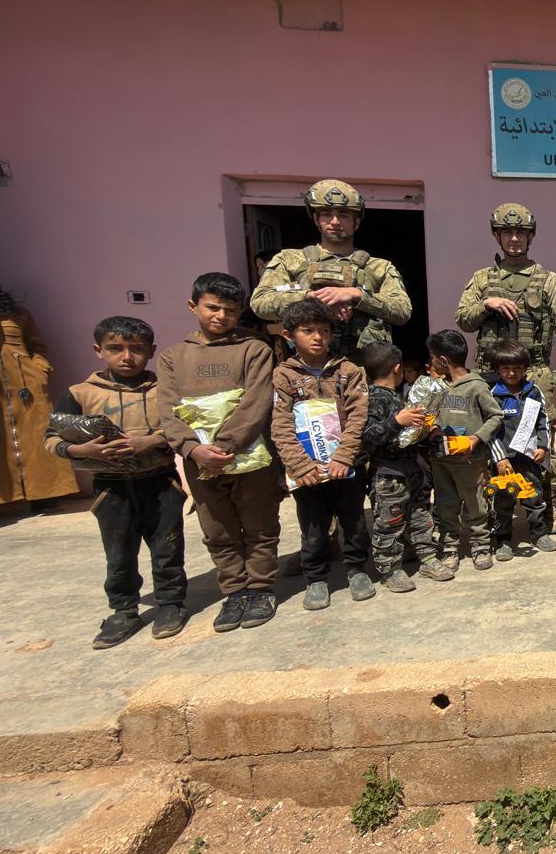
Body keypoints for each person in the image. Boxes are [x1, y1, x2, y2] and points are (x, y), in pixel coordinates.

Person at [45, 316, 187, 647]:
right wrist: (82, 448)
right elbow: (52, 438)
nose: (127, 357)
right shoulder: (80, 394)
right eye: (115, 349)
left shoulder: (165, 390)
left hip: (160, 482)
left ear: (151, 351)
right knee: (119, 552)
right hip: (111, 488)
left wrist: (151, 442)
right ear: (98, 350)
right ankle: (123, 610)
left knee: (167, 547)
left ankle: (170, 604)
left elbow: (186, 427)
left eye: (136, 349)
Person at [158, 272, 281, 633]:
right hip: (200, 463)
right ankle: (235, 590)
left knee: (259, 526)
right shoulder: (173, 357)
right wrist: (194, 450)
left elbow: (257, 402)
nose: (221, 316)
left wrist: (226, 446)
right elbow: (167, 410)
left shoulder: (253, 350)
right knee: (218, 530)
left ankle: (260, 588)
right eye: (213, 307)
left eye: (230, 309)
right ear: (193, 306)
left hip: (251, 458)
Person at [0, 252, 78, 521]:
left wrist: (39, 368)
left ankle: (45, 494)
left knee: (34, 435)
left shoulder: (16, 311)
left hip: (25, 382)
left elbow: (37, 343)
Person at [269, 299, 374, 611]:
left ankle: (357, 570)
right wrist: (300, 465)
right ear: (289, 335)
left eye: (324, 331)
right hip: (309, 470)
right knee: (313, 525)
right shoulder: (283, 376)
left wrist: (343, 457)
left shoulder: (348, 371)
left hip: (347, 465)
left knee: (353, 520)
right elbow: (280, 423)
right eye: (308, 331)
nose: (318, 337)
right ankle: (315, 578)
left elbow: (358, 417)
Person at [250, 180, 413, 359]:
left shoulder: (378, 267)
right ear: (316, 220)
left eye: (343, 215)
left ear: (356, 222)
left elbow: (402, 311)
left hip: (363, 371)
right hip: (305, 372)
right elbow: (260, 303)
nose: (335, 222)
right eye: (326, 214)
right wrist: (312, 297)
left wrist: (357, 295)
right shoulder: (290, 260)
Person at [453, 202, 556, 418]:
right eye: (507, 232)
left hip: (534, 374)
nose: (515, 238)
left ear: (530, 236)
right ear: (496, 236)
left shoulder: (549, 280)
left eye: (521, 232)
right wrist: (486, 305)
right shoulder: (482, 278)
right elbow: (463, 320)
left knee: (539, 443)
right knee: (489, 440)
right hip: (489, 375)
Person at [359, 341, 454, 593]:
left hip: (411, 468)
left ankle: (428, 558)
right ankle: (390, 569)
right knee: (389, 522)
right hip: (387, 473)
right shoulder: (371, 399)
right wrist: (397, 420)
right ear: (397, 369)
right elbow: (368, 438)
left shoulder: (401, 396)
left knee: (420, 516)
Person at [426, 329, 501, 572]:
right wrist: (433, 427)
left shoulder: (476, 387)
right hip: (441, 460)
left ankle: (481, 544)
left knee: (475, 503)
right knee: (445, 504)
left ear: (443, 360)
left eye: (434, 358)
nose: (432, 363)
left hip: (470, 461)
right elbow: (431, 414)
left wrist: (475, 438)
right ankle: (449, 547)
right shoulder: (437, 387)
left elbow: (496, 416)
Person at [484, 337, 556, 559]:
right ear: (497, 369)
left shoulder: (533, 392)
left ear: (526, 368)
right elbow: (489, 430)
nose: (512, 373)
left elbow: (543, 422)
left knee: (534, 496)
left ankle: (539, 534)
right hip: (504, 460)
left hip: (529, 457)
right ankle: (503, 541)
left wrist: (543, 447)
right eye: (506, 368)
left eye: (517, 368)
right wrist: (500, 458)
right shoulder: (492, 395)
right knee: (503, 501)